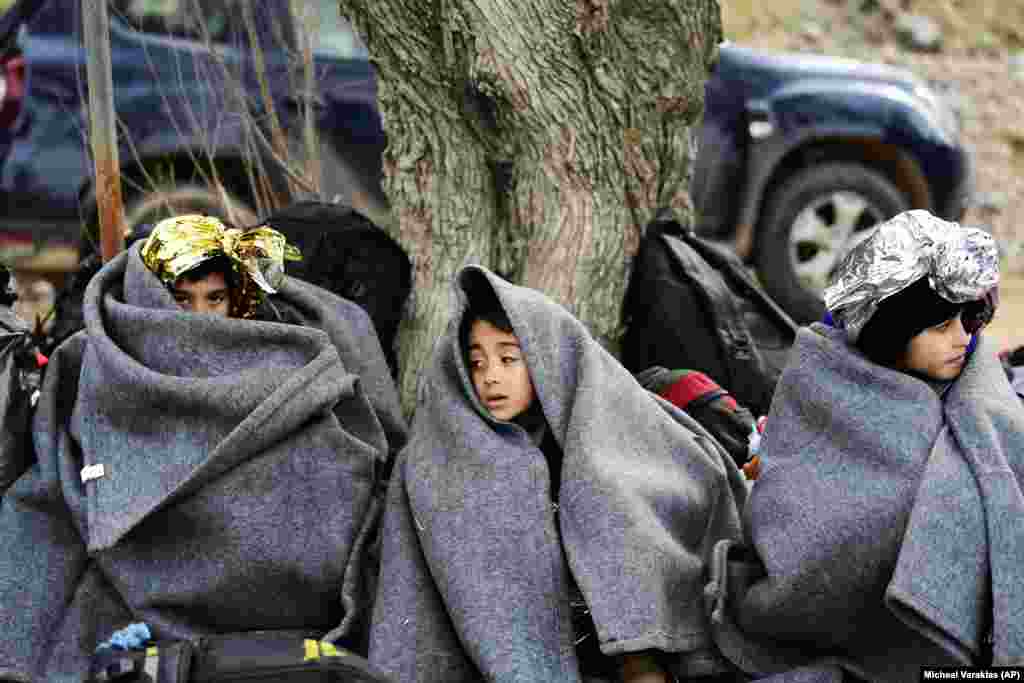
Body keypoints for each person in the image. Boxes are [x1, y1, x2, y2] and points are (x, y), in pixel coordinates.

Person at [0, 214, 407, 682]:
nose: (199, 315)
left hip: (292, 590)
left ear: (239, 298)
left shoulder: (288, 350)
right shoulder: (102, 359)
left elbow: (346, 456)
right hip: (148, 575)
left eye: (215, 298)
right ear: (152, 298)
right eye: (182, 298)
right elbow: (55, 491)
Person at [369, 265, 748, 682]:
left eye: (508, 358)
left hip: (618, 647)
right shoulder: (436, 459)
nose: (490, 376)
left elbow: (662, 510)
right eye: (476, 363)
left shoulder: (602, 428)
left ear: (545, 358)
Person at [704, 210, 1024, 682]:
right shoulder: (822, 377)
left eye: (970, 317)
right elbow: (800, 514)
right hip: (831, 620)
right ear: (890, 331)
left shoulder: (974, 374)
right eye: (939, 326)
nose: (963, 338)